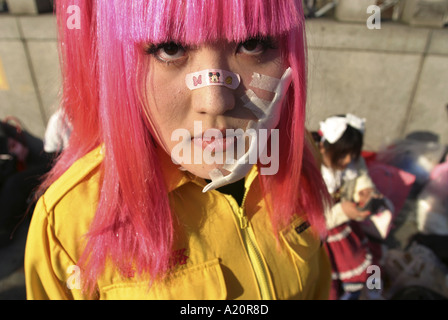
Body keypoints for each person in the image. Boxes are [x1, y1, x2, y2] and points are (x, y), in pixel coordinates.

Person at [25, 0, 332, 300]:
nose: (214, 101)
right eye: (170, 48)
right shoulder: (67, 225)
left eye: (252, 43)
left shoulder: (298, 161)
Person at [312, 113, 388, 300]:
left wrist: (366, 193)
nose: (347, 161)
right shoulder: (311, 168)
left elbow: (362, 180)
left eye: (352, 155)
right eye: (342, 154)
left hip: (346, 227)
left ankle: (367, 292)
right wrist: (342, 211)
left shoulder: (353, 162)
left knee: (366, 262)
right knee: (327, 279)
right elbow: (308, 218)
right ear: (322, 147)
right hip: (317, 236)